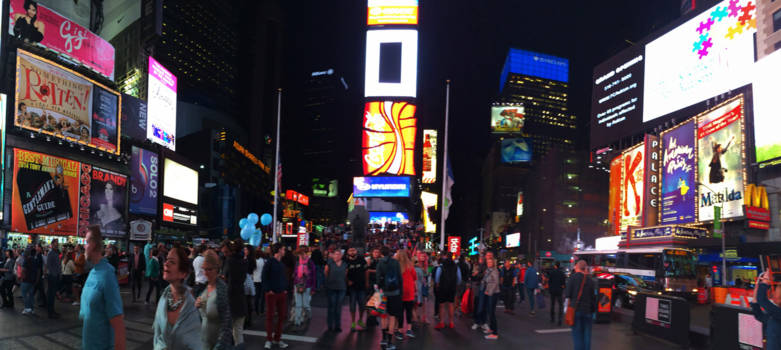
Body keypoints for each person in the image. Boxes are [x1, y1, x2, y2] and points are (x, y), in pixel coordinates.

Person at [79, 225, 127, 350]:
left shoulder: (107, 274)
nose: (84, 246)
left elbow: (118, 323)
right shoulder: (92, 272)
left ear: (94, 244)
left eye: (86, 242)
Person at [153, 246, 202, 349]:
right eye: (167, 260)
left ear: (182, 273)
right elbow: (157, 336)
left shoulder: (191, 308)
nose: (166, 263)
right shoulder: (163, 298)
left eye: (172, 262)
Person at [196, 249, 234, 350]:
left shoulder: (222, 290)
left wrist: (220, 346)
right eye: (204, 269)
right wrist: (196, 306)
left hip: (218, 345)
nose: (206, 273)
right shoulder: (204, 288)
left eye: (209, 269)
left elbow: (227, 326)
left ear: (217, 269)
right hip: (203, 343)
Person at [262, 243, 289, 349]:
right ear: (279, 250)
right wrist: (268, 290)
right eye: (283, 249)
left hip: (281, 292)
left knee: (281, 317)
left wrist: (285, 288)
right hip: (272, 293)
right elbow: (264, 276)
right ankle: (269, 339)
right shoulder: (270, 262)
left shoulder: (281, 263)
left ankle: (277, 339)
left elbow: (283, 277)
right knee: (270, 316)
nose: (284, 251)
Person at [565, 260, 596, 350]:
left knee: (577, 335)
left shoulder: (572, 278)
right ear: (585, 268)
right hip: (588, 311)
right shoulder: (590, 280)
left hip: (576, 310)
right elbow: (593, 297)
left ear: (577, 267)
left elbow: (567, 294)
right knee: (587, 335)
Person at [221, 240, 247, 346]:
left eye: (226, 252)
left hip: (230, 297)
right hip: (240, 296)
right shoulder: (244, 261)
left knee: (226, 330)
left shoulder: (229, 262)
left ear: (231, 250)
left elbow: (225, 278)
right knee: (238, 330)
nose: (224, 254)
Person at [377, 246, 403, 350]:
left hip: (384, 293)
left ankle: (383, 338)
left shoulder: (380, 263)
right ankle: (389, 341)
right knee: (392, 316)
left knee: (383, 315)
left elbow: (378, 279)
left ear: (381, 253)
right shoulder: (395, 262)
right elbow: (400, 277)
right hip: (395, 293)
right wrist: (400, 291)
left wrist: (379, 290)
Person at [434, 251, 461, 329]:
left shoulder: (441, 266)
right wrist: (456, 285)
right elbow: (459, 278)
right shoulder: (456, 266)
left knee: (441, 305)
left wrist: (437, 284)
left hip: (442, 288)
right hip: (452, 288)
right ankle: (451, 322)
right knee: (451, 304)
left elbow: (437, 278)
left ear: (445, 256)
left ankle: (441, 322)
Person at [345, 246, 368, 330]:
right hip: (352, 287)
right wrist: (347, 281)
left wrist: (367, 282)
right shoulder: (345, 261)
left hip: (361, 286)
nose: (352, 252)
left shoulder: (361, 259)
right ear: (347, 252)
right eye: (350, 250)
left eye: (353, 250)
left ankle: (360, 320)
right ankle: (353, 322)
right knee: (352, 305)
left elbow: (366, 271)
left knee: (362, 305)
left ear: (356, 251)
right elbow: (343, 273)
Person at [292, 247, 315, 327]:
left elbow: (314, 276)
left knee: (305, 305)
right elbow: (295, 274)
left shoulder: (310, 262)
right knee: (298, 305)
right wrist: (294, 285)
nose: (301, 256)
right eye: (300, 254)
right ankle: (297, 321)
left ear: (306, 254)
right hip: (298, 285)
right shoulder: (297, 262)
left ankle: (308, 316)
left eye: (303, 254)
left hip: (307, 285)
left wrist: (313, 288)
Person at [325, 249, 347, 332]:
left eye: (339, 254)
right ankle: (330, 325)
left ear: (341, 256)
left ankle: (337, 326)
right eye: (336, 254)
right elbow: (326, 272)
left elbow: (346, 274)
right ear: (333, 255)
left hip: (341, 288)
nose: (337, 256)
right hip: (331, 287)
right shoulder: (330, 263)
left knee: (338, 307)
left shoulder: (345, 264)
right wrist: (328, 281)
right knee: (332, 307)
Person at [398, 249, 418, 340]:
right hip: (409, 291)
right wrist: (416, 289)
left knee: (400, 312)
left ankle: (400, 330)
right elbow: (414, 279)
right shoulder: (410, 266)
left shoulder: (396, 266)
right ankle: (409, 329)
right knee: (409, 311)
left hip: (400, 291)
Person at [481, 255, 501, 340]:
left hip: (493, 293)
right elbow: (486, 280)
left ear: (493, 263)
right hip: (488, 292)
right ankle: (492, 329)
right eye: (488, 262)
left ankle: (495, 333)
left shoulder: (494, 271)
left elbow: (496, 283)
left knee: (491, 312)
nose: (489, 263)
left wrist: (489, 292)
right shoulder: (488, 270)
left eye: (490, 262)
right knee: (489, 311)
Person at [366, 247, 382, 327]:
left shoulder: (380, 261)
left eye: (377, 252)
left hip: (377, 282)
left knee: (376, 301)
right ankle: (369, 318)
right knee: (369, 300)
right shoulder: (369, 260)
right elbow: (367, 270)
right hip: (371, 281)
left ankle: (374, 318)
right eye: (375, 252)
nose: (376, 253)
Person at [21, 247, 40, 315]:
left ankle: (27, 308)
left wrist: (22, 277)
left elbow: (23, 270)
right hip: (33, 280)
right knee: (31, 295)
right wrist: (37, 279)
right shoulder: (36, 260)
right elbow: (38, 271)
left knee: (24, 294)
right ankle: (31, 309)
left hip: (26, 280)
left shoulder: (26, 260)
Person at [45, 240, 62, 319]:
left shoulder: (56, 253)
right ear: (51, 245)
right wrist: (53, 273)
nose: (56, 246)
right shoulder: (50, 253)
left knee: (52, 294)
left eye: (57, 245)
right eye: (55, 245)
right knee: (51, 295)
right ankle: (50, 312)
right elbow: (48, 265)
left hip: (55, 275)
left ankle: (52, 311)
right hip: (52, 276)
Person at [243, 245, 257, 329]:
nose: (244, 251)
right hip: (249, 281)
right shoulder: (252, 259)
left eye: (245, 249)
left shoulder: (247, 260)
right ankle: (249, 320)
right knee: (248, 302)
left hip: (245, 281)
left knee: (245, 302)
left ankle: (246, 320)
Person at [253, 248, 265, 316]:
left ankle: (256, 310)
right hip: (262, 280)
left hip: (255, 280)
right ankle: (262, 310)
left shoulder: (253, 261)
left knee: (256, 296)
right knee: (262, 297)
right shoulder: (263, 261)